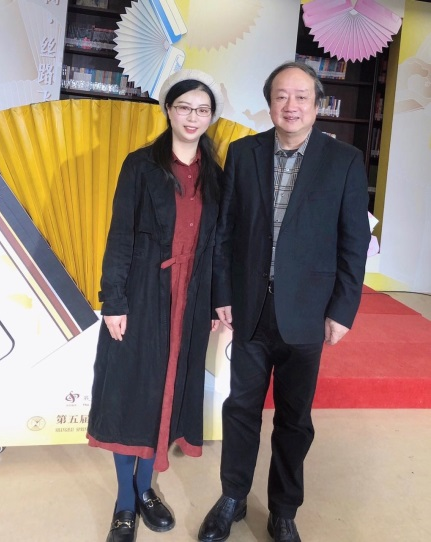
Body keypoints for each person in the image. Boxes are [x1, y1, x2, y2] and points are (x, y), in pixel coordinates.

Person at [198, 61, 371, 542]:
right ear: (269, 103)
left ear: (317, 105)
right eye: (280, 96)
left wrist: (342, 309)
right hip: (250, 307)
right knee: (241, 409)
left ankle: (283, 509)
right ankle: (232, 496)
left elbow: (353, 242)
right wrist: (222, 293)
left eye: (301, 97)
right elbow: (225, 231)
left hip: (308, 311)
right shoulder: (244, 153)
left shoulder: (344, 161)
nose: (290, 106)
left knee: (295, 418)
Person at [87, 69, 224, 542]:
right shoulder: (141, 165)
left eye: (202, 110)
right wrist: (114, 300)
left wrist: (216, 301)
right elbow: (120, 235)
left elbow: (218, 245)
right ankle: (125, 502)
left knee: (168, 392)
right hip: (143, 293)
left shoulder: (215, 175)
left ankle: (146, 487)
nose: (193, 117)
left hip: (191, 298)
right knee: (131, 393)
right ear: (168, 110)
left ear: (211, 117)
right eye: (184, 107)